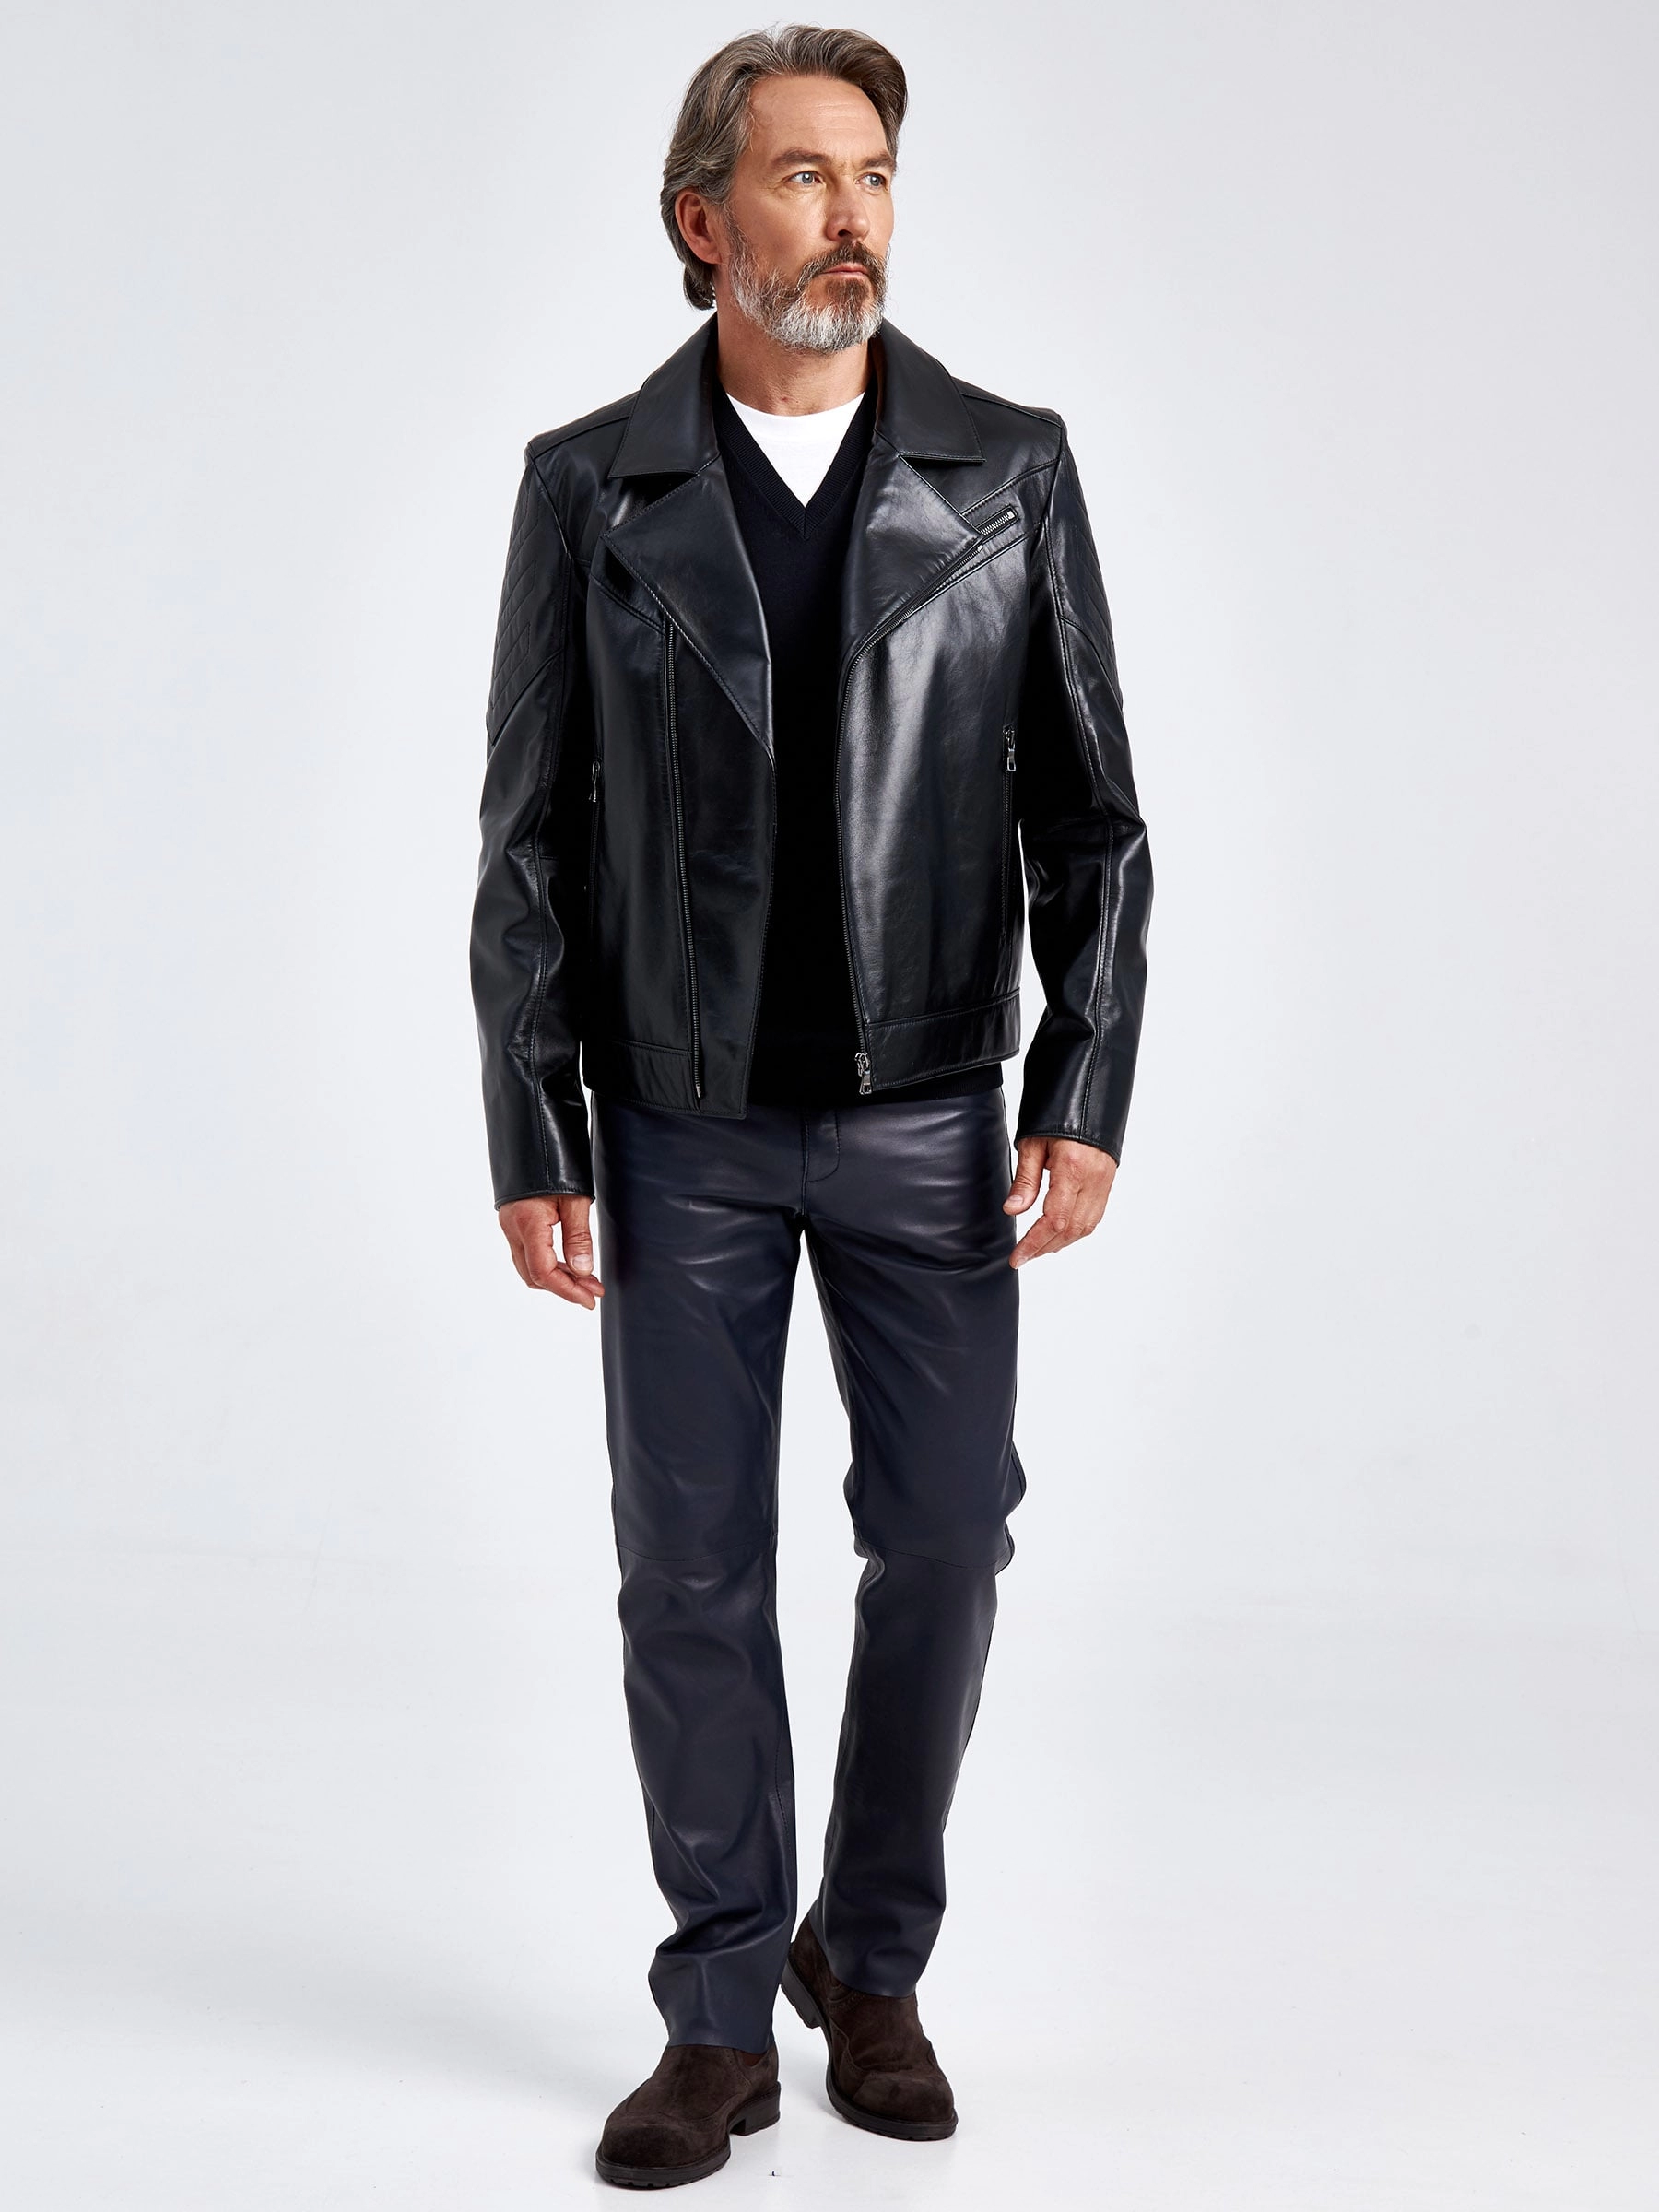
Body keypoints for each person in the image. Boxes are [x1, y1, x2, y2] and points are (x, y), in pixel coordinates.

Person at [469, 23, 1152, 2191]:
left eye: (872, 176)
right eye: (800, 177)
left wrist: (1085, 1082)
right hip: (674, 1127)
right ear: (704, 220)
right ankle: (712, 2014)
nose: (851, 216)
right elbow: (524, 840)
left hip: (928, 1116)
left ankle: (868, 1963)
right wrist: (537, 1127)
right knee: (687, 1572)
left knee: (944, 1533)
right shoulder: (593, 487)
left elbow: (1096, 821)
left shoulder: (1006, 470)